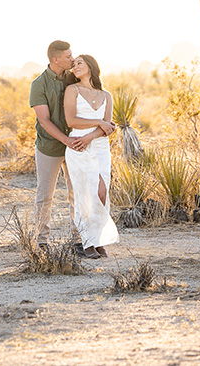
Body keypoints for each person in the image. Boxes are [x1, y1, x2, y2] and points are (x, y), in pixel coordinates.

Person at [29, 40, 108, 248]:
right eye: (68, 57)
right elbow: (44, 120)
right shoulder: (39, 84)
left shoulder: (74, 77)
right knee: (45, 194)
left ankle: (79, 239)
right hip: (50, 147)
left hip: (79, 147)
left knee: (79, 193)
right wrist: (66, 141)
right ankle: (41, 241)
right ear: (56, 60)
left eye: (73, 57)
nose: (73, 60)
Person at [64, 54, 119, 258]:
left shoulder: (106, 95)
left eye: (79, 63)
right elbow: (71, 120)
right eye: (73, 65)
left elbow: (108, 126)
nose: (75, 66)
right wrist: (94, 128)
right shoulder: (73, 90)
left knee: (102, 192)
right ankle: (87, 242)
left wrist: (92, 135)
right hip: (78, 146)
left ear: (90, 66)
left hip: (100, 146)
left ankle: (98, 239)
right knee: (84, 193)